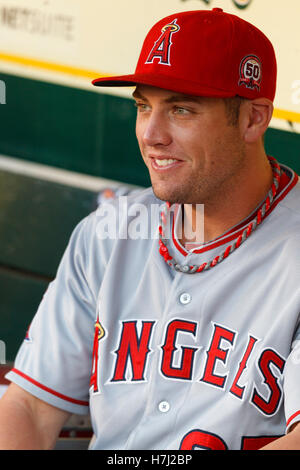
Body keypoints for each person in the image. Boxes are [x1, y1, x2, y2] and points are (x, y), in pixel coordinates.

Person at [1, 7, 300, 451]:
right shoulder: (107, 234)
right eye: (144, 106)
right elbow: (28, 405)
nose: (151, 134)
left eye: (181, 109)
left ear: (253, 119)